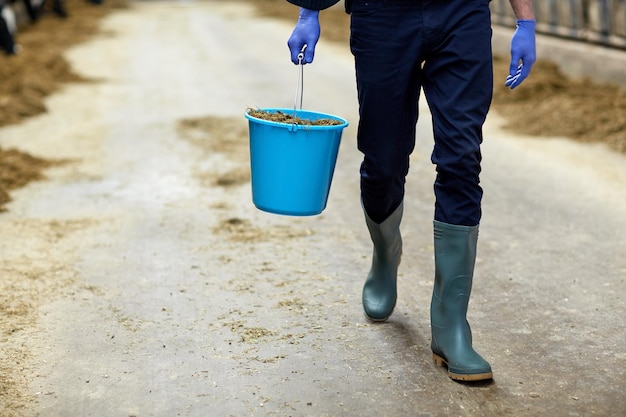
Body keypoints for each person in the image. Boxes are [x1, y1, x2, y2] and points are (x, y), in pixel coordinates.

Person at [286, 0, 536, 381]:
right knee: (383, 159)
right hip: (381, 13)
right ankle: (385, 253)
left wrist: (526, 20)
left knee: (462, 158)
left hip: (461, 12)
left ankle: (451, 327)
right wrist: (309, 12)